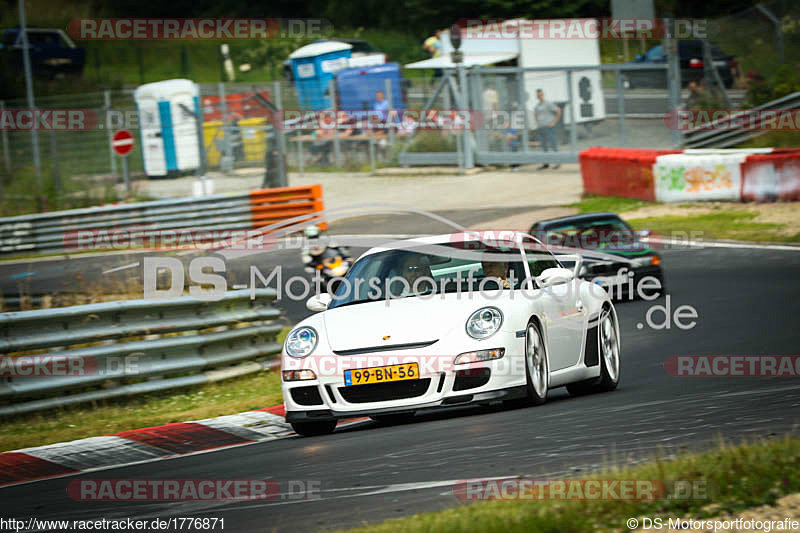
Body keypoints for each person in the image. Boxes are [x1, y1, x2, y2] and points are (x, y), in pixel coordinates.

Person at [534, 89, 561, 170]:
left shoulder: (548, 103)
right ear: (537, 96)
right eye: (538, 95)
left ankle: (558, 162)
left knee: (553, 144)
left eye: (541, 95)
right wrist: (537, 123)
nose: (540, 96)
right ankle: (546, 164)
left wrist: (554, 122)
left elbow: (558, 110)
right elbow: (536, 115)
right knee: (544, 146)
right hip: (541, 128)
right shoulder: (537, 106)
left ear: (543, 95)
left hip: (549, 127)